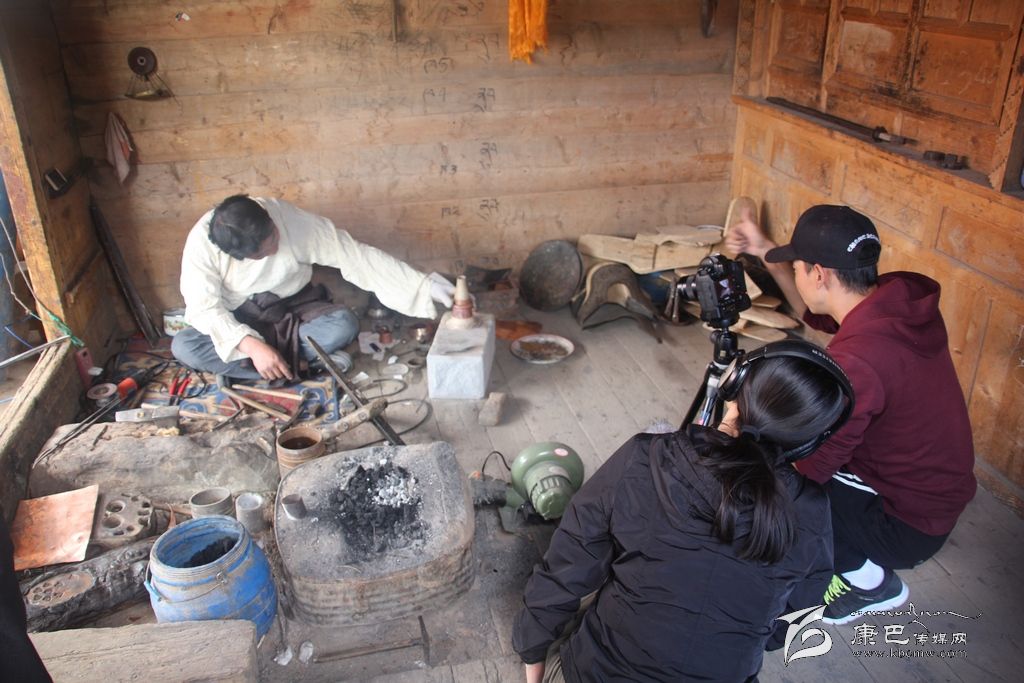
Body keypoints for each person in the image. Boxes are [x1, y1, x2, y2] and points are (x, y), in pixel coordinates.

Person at [512, 342, 850, 682]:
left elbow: (569, 565)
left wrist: (531, 651)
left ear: (732, 387)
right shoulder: (813, 512)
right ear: (810, 441)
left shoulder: (647, 459)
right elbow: (789, 623)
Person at [724, 204, 976, 624]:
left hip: (905, 526)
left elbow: (814, 467)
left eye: (798, 267)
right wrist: (765, 249)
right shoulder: (895, 303)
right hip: (937, 495)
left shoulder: (860, 362)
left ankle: (870, 583)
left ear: (819, 275)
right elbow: (819, 315)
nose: (796, 274)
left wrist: (737, 432)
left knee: (776, 482)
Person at [171, 195, 455, 381]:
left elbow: (354, 255)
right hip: (241, 317)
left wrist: (422, 285)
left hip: (293, 309)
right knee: (184, 346)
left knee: (343, 324)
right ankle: (304, 364)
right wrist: (252, 347)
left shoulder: (286, 218)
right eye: (263, 253)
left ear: (268, 219)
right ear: (239, 255)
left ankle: (268, 367)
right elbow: (204, 308)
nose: (275, 248)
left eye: (274, 238)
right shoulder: (202, 245)